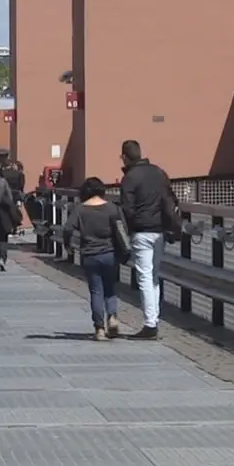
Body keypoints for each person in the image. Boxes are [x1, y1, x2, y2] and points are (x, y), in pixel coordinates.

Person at [117, 139, 181, 340]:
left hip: (142, 231)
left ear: (125, 157)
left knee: (144, 276)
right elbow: (171, 198)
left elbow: (126, 208)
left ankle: (150, 324)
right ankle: (154, 319)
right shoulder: (159, 173)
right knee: (153, 276)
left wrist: (131, 228)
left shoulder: (130, 178)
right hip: (160, 230)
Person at [63, 177, 128, 341]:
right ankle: (112, 317)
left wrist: (68, 244)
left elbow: (68, 228)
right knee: (110, 288)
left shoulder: (80, 209)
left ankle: (99, 329)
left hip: (89, 255)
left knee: (96, 291)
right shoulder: (112, 208)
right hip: (110, 254)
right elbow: (121, 230)